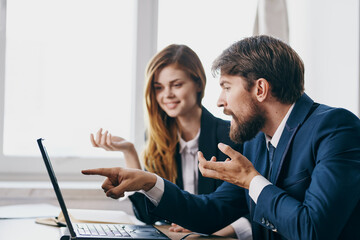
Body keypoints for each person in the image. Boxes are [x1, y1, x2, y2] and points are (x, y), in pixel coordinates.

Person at [82, 35, 360, 240]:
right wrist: (150, 182)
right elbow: (212, 211)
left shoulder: (336, 129)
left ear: (260, 89)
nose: (219, 101)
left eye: (227, 87)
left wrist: (252, 181)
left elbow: (313, 230)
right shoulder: (256, 141)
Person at [89, 44, 251, 239]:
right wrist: (129, 152)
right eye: (159, 88)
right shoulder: (156, 139)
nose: (167, 95)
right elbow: (146, 216)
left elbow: (245, 208)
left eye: (176, 85)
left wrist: (211, 234)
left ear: (198, 84)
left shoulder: (231, 135)